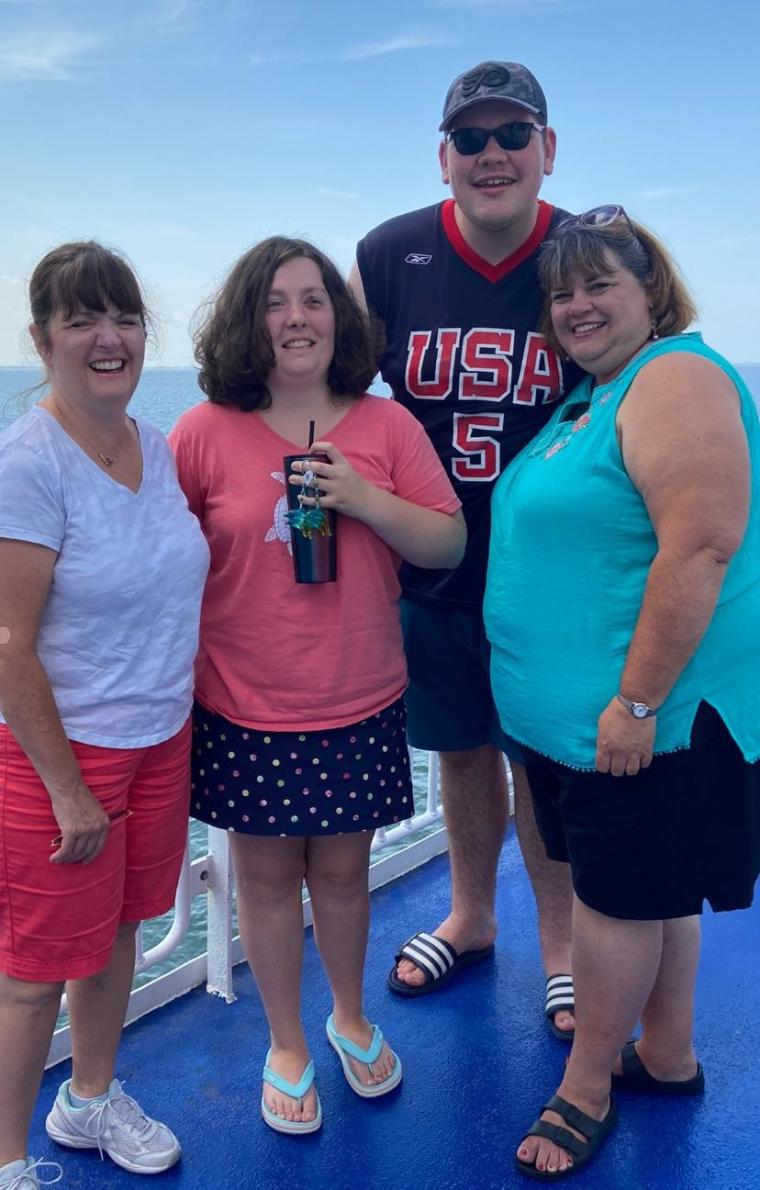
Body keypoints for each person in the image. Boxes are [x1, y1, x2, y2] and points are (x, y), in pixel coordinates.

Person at [482, 207, 760, 1179]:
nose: (575, 304)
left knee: (611, 904)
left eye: (598, 282)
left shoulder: (672, 375)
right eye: (560, 291)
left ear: (651, 289)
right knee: (649, 895)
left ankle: (585, 1084)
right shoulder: (589, 402)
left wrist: (635, 701)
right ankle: (667, 1053)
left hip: (643, 722)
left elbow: (698, 545)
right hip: (567, 725)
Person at [169, 236, 465, 1135]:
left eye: (313, 299)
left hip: (360, 695)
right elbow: (164, 562)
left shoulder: (386, 427)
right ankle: (287, 1041)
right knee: (263, 880)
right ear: (245, 321)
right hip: (243, 703)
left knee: (343, 876)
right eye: (273, 302)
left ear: (340, 317)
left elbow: (446, 545)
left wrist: (365, 498)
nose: (295, 318)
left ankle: (349, 1016)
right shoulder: (201, 431)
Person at [349, 60, 579, 1035]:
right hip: (432, 560)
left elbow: (649, 391)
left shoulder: (589, 252)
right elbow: (340, 389)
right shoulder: (387, 251)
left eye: (511, 135)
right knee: (460, 750)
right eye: (471, 139)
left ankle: (563, 949)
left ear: (546, 149)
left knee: (547, 760)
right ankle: (473, 915)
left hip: (554, 574)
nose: (492, 155)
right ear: (443, 156)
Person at [0, 242, 209, 1189]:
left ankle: (88, 1099)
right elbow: (9, 642)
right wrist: (66, 790)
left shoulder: (152, 447)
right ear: (42, 339)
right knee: (36, 966)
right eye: (81, 319)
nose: (108, 336)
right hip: (64, 756)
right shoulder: (28, 462)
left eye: (122, 317)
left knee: (120, 927)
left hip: (159, 737)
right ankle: (8, 1159)